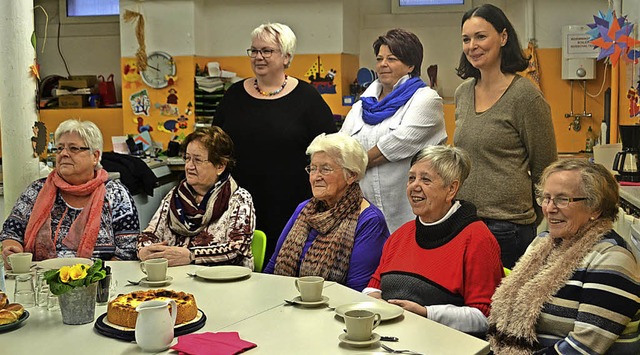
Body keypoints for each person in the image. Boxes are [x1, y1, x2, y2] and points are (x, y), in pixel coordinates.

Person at [488, 159, 640, 354]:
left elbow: (582, 348)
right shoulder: (543, 242)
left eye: (562, 199)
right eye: (546, 198)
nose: (549, 208)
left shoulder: (612, 260)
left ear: (596, 208)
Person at [214, 22, 336, 261]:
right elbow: (215, 146)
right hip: (239, 205)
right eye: (254, 51)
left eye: (267, 51)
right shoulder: (234, 96)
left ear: (286, 57)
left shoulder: (308, 99)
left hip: (292, 207)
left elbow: (329, 151)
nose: (258, 57)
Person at [453, 4, 557, 268]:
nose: (472, 45)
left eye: (481, 36)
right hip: (464, 220)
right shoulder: (463, 93)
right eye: (466, 39)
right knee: (468, 305)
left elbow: (546, 169)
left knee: (499, 306)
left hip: (508, 229)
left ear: (503, 37)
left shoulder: (525, 97)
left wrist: (526, 216)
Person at [364, 145, 503, 335]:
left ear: (451, 189)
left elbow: (486, 317)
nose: (414, 186)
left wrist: (427, 314)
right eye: (411, 178)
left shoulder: (478, 239)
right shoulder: (401, 234)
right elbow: (373, 286)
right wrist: (373, 298)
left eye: (426, 179)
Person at [341, 28, 447, 234]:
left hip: (408, 214)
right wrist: (341, 161)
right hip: (365, 216)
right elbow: (343, 146)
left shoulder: (426, 99)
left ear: (410, 64)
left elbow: (395, 144)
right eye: (379, 58)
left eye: (392, 58)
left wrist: (349, 166)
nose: (383, 64)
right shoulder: (362, 104)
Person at [0, 119, 140, 262]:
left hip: (99, 279)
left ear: (95, 156)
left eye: (73, 148)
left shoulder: (115, 194)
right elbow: (11, 232)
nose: (64, 154)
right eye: (60, 148)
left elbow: (127, 251)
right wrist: (13, 251)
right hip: (41, 278)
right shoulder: (37, 190)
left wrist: (95, 279)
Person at [264, 132, 389, 291]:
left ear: (351, 175)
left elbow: (358, 290)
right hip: (286, 302)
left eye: (325, 169)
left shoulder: (369, 221)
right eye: (313, 169)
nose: (316, 177)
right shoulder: (304, 209)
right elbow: (273, 267)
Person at [138, 127, 255, 268]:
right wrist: (144, 250)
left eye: (197, 160)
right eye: (187, 158)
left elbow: (237, 249)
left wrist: (191, 255)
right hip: (177, 280)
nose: (189, 166)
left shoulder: (238, 199)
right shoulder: (175, 195)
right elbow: (149, 234)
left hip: (223, 283)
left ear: (220, 166)